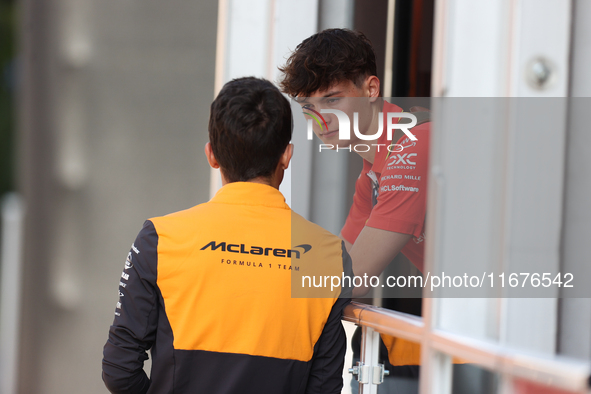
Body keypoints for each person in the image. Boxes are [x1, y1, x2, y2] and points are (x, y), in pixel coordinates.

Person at [102, 77, 352, 394]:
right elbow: (325, 386)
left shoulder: (161, 239)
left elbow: (119, 369)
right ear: (286, 156)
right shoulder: (327, 256)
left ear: (212, 155)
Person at [279, 28, 431, 390]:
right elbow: (342, 262)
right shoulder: (373, 171)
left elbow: (355, 275)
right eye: (308, 107)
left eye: (332, 100)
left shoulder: (412, 145)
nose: (320, 119)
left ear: (371, 89)